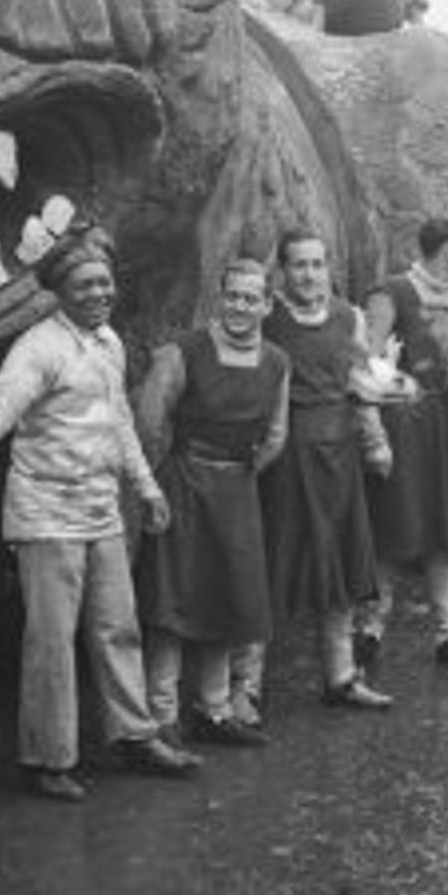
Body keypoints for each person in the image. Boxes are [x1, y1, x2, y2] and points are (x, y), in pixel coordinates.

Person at [0, 225, 201, 802]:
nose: (98, 293)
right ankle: (46, 758)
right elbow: (2, 399)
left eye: (105, 283)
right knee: (51, 639)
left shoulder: (109, 344)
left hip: (100, 508)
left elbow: (118, 423)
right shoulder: (38, 347)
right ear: (60, 293)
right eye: (85, 285)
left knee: (119, 625)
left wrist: (146, 488)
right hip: (46, 513)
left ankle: (134, 735)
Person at [135, 258, 290, 747]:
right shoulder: (185, 351)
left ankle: (215, 709)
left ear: (267, 304)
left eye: (252, 298)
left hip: (237, 489)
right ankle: (162, 716)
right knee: (172, 603)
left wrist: (237, 473)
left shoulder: (277, 362)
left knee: (228, 599)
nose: (241, 306)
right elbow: (150, 421)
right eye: (233, 296)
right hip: (183, 483)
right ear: (220, 298)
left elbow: (276, 435)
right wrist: (158, 486)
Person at [254, 229, 392, 712]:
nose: (309, 275)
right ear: (282, 271)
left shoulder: (348, 316)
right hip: (287, 457)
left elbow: (361, 383)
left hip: (339, 456)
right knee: (277, 563)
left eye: (317, 264)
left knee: (340, 565)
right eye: (299, 265)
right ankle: (247, 687)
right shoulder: (265, 317)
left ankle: (340, 677)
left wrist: (376, 442)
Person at [365, 216, 448, 671]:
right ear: (447, 247)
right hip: (402, 422)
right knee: (394, 522)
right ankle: (371, 626)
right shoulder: (391, 292)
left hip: (445, 421)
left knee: (444, 525)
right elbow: (369, 362)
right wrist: (394, 389)